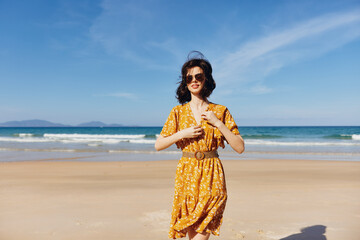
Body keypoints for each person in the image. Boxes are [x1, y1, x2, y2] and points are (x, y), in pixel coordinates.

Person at [155, 51, 245, 240]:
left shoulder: (220, 111)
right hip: (187, 174)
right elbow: (159, 144)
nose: (194, 80)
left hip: (212, 174)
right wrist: (182, 133)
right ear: (185, 82)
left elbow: (239, 147)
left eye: (198, 76)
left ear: (206, 79)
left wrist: (218, 123)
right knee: (191, 233)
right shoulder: (178, 112)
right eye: (189, 78)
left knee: (201, 235)